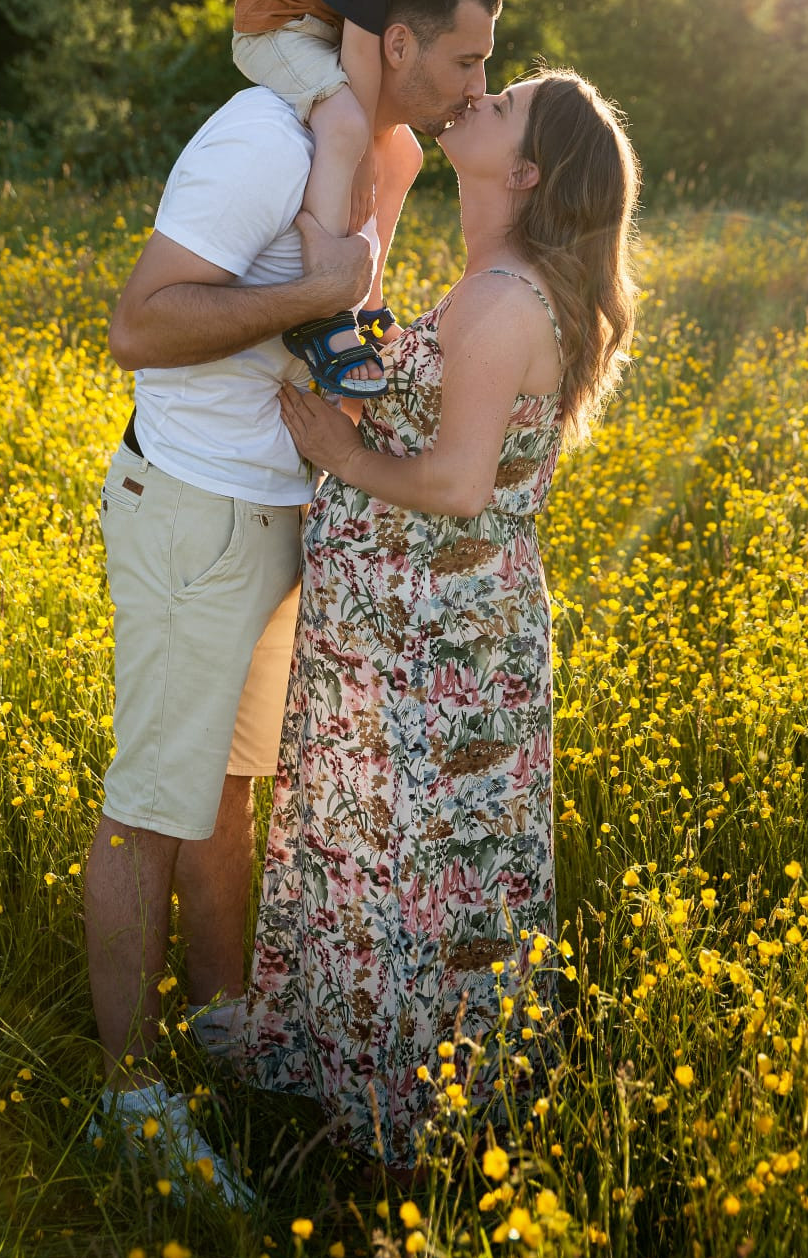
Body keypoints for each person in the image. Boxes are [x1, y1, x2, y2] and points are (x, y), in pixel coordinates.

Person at [83, 0, 504, 1203]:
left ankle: (224, 1030)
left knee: (228, 788)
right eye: (466, 58)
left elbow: (323, 319)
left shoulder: (385, 155)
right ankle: (129, 1099)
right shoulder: (265, 140)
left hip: (277, 507)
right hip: (194, 504)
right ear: (392, 42)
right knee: (152, 800)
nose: (478, 81)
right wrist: (314, 294)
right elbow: (138, 324)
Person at [242, 71, 639, 1170]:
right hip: (420, 631)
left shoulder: (505, 300)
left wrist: (343, 454)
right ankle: (384, 1106)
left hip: (438, 645)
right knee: (405, 864)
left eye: (503, 102)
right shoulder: (491, 283)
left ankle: (407, 1143)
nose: (479, 95)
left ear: (523, 173)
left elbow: (461, 483)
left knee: (424, 874)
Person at [232, 0, 589, 396]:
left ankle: (366, 305)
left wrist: (381, 150)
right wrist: (356, 163)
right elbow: (361, 50)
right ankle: (322, 313)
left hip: (320, 33)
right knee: (349, 125)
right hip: (279, 27)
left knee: (402, 151)